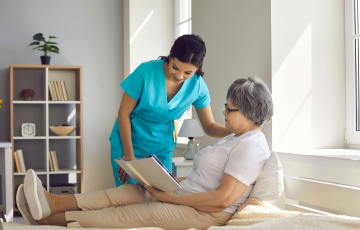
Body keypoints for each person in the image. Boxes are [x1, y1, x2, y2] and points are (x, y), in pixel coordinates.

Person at [18, 76, 274, 229]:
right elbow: (207, 179)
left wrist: (170, 198)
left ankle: (48, 221)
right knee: (125, 192)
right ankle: (51, 203)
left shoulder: (251, 146)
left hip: (204, 212)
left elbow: (221, 200)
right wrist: (166, 182)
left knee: (125, 214)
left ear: (250, 112)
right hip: (185, 194)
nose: (224, 113)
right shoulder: (235, 138)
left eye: (229, 109)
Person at [110, 34, 232, 187]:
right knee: (128, 198)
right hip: (127, 144)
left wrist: (236, 133)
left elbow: (209, 126)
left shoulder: (198, 86)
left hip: (161, 148)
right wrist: (128, 155)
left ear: (197, 68)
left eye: (188, 73)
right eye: (175, 67)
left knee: (161, 199)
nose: (179, 76)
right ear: (170, 55)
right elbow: (123, 113)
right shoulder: (145, 72)